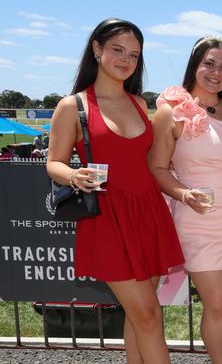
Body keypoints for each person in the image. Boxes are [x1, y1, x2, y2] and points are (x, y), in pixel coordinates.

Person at [46, 18, 184, 364]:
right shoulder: (72, 106)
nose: (126, 60)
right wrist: (74, 175)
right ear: (97, 49)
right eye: (118, 50)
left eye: (134, 55)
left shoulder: (139, 103)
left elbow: (152, 160)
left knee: (141, 317)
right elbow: (53, 163)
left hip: (148, 215)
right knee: (149, 317)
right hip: (109, 220)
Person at [148, 36, 222, 363]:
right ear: (195, 65)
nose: (216, 72)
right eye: (209, 63)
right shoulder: (171, 112)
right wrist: (183, 193)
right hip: (199, 218)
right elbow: (156, 167)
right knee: (219, 301)